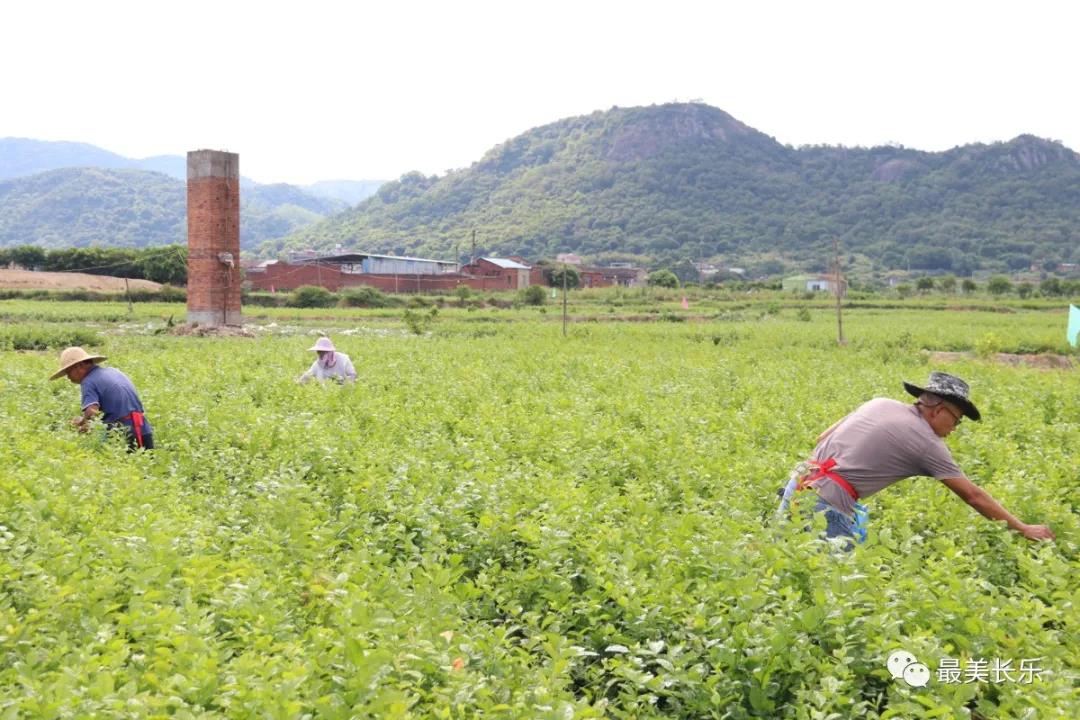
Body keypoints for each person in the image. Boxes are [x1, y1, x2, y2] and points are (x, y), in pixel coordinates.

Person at [778, 371, 1054, 543]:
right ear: (939, 411)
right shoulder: (927, 443)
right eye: (956, 421)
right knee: (841, 591)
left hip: (797, 484)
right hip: (825, 505)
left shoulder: (880, 402)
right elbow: (973, 496)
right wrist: (1023, 528)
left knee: (787, 562)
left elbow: (822, 437)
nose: (953, 430)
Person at [50, 346, 154, 450]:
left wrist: (83, 425)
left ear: (79, 366)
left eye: (68, 372)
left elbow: (92, 412)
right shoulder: (113, 371)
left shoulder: (88, 381)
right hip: (144, 429)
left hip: (123, 435)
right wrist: (83, 420)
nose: (68, 377)